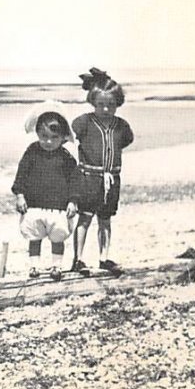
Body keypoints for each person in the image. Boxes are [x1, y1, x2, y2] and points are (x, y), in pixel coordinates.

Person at [70, 68, 134, 275]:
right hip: (89, 179)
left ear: (118, 104)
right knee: (85, 218)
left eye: (111, 105)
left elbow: (125, 142)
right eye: (100, 105)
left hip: (111, 180)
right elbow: (70, 134)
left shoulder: (121, 126)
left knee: (105, 220)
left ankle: (104, 258)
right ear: (92, 102)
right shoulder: (84, 122)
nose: (106, 109)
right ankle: (78, 259)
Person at [12, 102, 78, 281]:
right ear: (37, 134)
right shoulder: (32, 151)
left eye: (53, 137)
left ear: (63, 138)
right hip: (34, 205)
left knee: (58, 237)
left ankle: (57, 266)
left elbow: (74, 181)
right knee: (34, 236)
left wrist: (73, 201)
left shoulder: (66, 158)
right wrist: (20, 195)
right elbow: (22, 174)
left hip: (58, 206)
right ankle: (34, 266)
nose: (48, 142)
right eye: (43, 136)